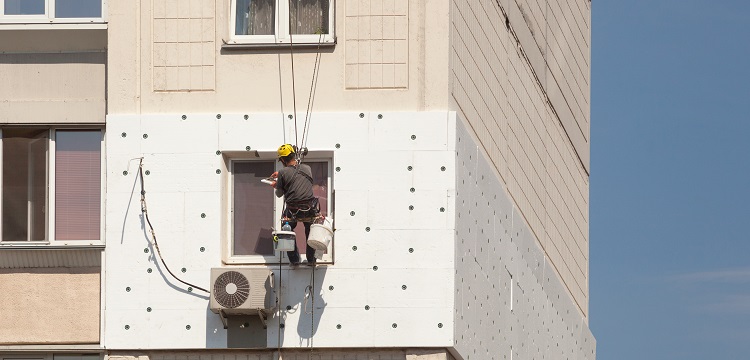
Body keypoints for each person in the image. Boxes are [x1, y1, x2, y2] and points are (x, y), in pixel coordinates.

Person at [268, 144, 320, 266]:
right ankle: (311, 260)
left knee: (286, 230)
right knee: (310, 230)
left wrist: (277, 184)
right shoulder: (307, 169)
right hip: (310, 209)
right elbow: (300, 183)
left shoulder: (282, 172)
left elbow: (279, 194)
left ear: (282, 160)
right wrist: (282, 177)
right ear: (293, 155)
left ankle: (294, 260)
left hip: (293, 210)